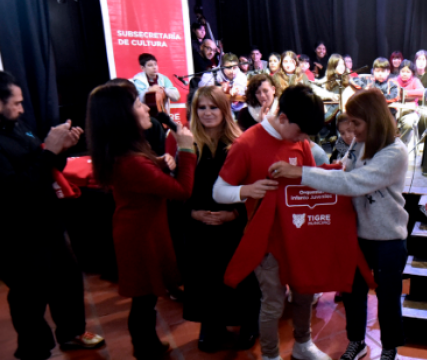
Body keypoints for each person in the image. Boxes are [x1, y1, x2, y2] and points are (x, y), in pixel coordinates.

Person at [270, 88, 409, 360]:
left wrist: (301, 173)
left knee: (388, 297)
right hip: (356, 235)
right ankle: (357, 341)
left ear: (374, 119)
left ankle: (389, 347)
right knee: (352, 292)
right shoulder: (359, 143)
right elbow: (342, 170)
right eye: (349, 122)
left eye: (356, 123)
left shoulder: (395, 152)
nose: (350, 130)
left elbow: (352, 183)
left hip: (388, 238)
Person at [212, 85, 329, 360]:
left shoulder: (300, 141)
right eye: (300, 132)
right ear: (284, 118)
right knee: (273, 303)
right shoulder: (247, 143)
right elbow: (218, 191)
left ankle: (303, 344)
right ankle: (270, 355)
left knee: (303, 295)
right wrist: (246, 191)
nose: (302, 139)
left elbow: (311, 178)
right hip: (266, 240)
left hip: (298, 235)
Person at [0, 72, 105, 360]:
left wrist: (60, 149)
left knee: (67, 280)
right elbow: (14, 190)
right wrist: (49, 153)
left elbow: (43, 165)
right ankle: (34, 349)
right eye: (17, 103)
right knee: (28, 295)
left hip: (48, 220)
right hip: (16, 233)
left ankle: (72, 333)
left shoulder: (18, 126)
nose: (22, 109)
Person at [87, 83, 196, 358]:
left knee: (145, 299)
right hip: (140, 236)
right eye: (137, 104)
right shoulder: (130, 161)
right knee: (144, 300)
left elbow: (142, 177)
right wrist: (186, 151)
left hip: (140, 229)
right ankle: (146, 350)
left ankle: (147, 345)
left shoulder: (126, 152)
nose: (146, 108)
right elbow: (182, 191)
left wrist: (158, 165)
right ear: (122, 115)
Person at [183, 86, 261, 352]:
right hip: (199, 223)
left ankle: (249, 322)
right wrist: (192, 212)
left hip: (234, 224)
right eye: (201, 108)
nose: (207, 113)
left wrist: (234, 214)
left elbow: (252, 188)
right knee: (206, 275)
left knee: (241, 275)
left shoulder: (240, 144)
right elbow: (179, 187)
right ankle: (211, 323)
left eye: (213, 107)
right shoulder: (188, 143)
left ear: (224, 110)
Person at [395, 59, 425, 146]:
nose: (405, 73)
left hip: (410, 112)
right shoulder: (395, 80)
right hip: (395, 111)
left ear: (412, 73)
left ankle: (402, 146)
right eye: (402, 71)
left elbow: (421, 92)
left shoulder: (415, 81)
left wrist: (405, 93)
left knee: (408, 123)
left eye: (408, 72)